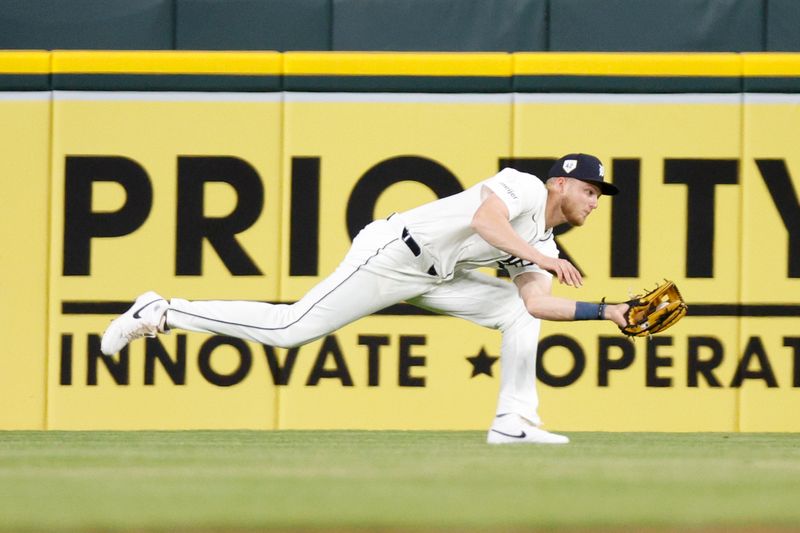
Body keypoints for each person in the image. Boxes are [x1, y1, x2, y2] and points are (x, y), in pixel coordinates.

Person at [102, 153, 629, 445]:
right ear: (561, 183)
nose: (594, 201)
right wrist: (541, 259)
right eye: (589, 190)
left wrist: (608, 312)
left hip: (436, 277)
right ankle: (161, 312)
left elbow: (537, 306)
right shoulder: (527, 187)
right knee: (290, 331)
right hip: (393, 254)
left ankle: (514, 422)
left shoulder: (540, 244)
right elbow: (485, 221)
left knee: (515, 310)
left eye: (599, 196)